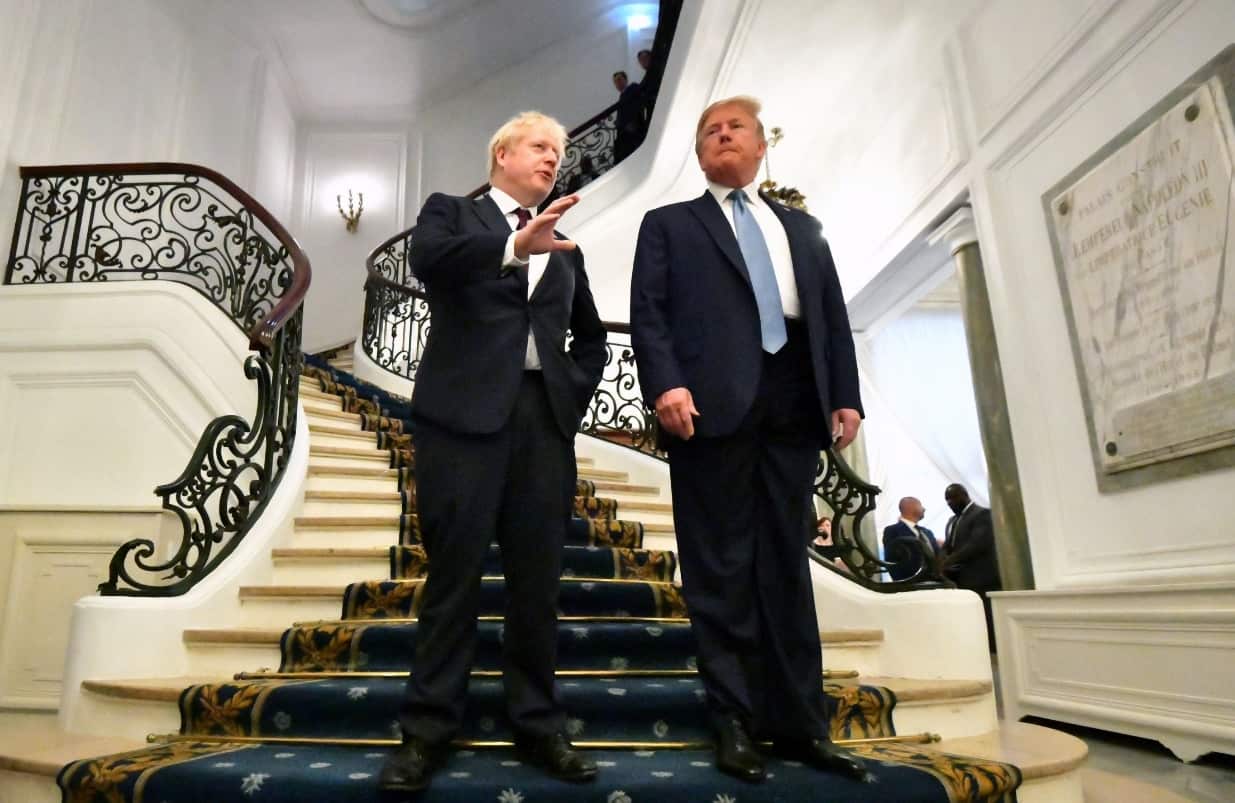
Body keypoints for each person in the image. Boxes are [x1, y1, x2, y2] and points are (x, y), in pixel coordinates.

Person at [629, 94, 871, 784]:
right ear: (700, 152)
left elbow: (829, 314)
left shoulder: (801, 226)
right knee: (720, 569)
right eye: (709, 130)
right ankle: (732, 722)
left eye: (734, 127)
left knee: (786, 570)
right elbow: (647, 313)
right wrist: (664, 384)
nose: (721, 136)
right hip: (708, 407)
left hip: (793, 402)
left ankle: (800, 726)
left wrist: (845, 394)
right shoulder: (669, 224)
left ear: (762, 147)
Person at [378, 111, 608, 794]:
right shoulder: (452, 213)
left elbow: (590, 336)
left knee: (537, 585)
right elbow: (428, 263)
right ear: (502, 152)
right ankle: (426, 731)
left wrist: (570, 392)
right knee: (453, 581)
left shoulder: (565, 244)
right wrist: (513, 246)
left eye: (559, 152)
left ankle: (538, 723)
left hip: (542, 424)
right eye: (540, 147)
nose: (552, 160)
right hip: (460, 424)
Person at [941, 483, 1002, 652]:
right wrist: (939, 559)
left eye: (952, 499)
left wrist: (948, 561)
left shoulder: (982, 514)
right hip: (960, 579)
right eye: (947, 500)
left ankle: (992, 652)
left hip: (981, 578)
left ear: (964, 495)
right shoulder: (952, 520)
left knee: (986, 618)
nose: (949, 503)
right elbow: (949, 544)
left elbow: (976, 544)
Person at [881, 496, 938, 582]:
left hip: (936, 583)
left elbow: (938, 555)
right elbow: (891, 560)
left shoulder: (927, 532)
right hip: (910, 585)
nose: (924, 509)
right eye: (920, 505)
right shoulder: (892, 531)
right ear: (910, 507)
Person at [612, 70, 646, 164]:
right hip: (625, 132)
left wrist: (632, 122)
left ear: (625, 80)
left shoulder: (633, 87)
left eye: (619, 79)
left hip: (634, 129)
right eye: (615, 82)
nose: (617, 83)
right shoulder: (621, 97)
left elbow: (639, 104)